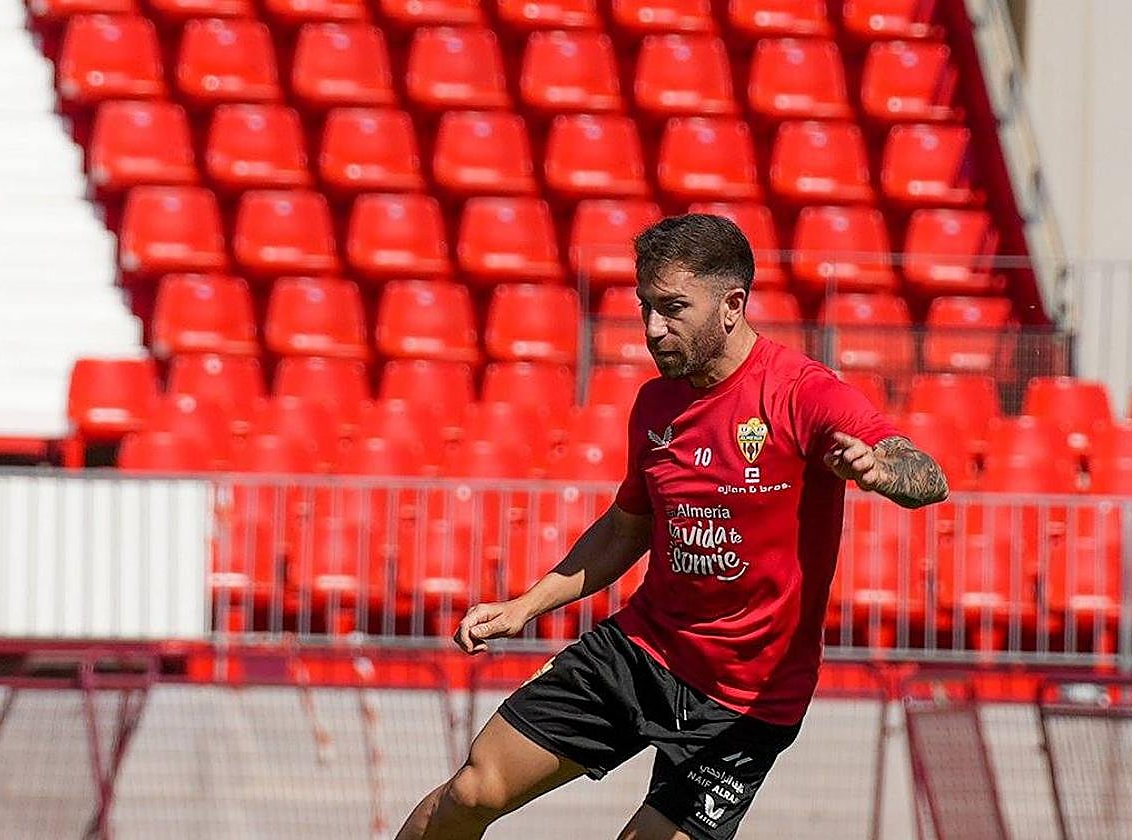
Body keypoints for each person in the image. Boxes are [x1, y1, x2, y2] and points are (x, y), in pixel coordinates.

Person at [395, 214, 949, 840]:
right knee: (473, 790)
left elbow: (926, 474)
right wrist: (526, 605)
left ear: (731, 305)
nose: (654, 328)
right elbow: (627, 530)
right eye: (646, 307)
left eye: (674, 308)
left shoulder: (802, 391)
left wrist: (880, 470)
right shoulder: (657, 403)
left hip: (746, 699)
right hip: (642, 651)